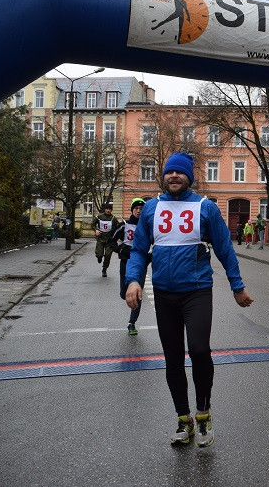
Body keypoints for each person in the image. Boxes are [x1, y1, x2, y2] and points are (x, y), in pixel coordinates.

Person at [124, 152, 253, 448]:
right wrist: (133, 280)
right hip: (165, 294)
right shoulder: (151, 208)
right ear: (164, 176)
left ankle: (203, 413)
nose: (174, 176)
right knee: (172, 358)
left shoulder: (205, 207)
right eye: (169, 172)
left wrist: (237, 286)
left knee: (198, 350)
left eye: (179, 172)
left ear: (189, 178)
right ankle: (184, 420)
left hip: (197, 291)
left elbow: (224, 248)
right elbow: (139, 250)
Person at [109, 198, 145, 335]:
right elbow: (111, 240)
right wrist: (119, 250)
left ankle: (132, 323)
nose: (139, 211)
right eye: (136, 208)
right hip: (126, 261)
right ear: (132, 210)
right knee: (125, 294)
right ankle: (125, 293)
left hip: (140, 263)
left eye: (141, 209)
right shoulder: (124, 225)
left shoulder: (146, 226)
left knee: (137, 294)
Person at [92, 203, 119, 277]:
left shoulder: (113, 218)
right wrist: (96, 230)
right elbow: (93, 225)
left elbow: (118, 227)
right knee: (99, 254)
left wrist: (116, 236)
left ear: (111, 210)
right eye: (107, 209)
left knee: (108, 254)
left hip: (109, 240)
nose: (108, 210)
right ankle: (99, 257)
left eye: (109, 209)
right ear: (105, 209)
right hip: (100, 239)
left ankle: (104, 269)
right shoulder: (99, 217)